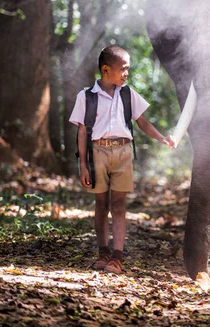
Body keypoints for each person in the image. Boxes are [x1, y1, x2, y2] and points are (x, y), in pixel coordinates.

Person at [70, 45, 176, 274]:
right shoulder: (86, 96)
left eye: (128, 69)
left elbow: (142, 122)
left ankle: (117, 256)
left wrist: (161, 138)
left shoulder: (128, 94)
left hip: (123, 152)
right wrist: (83, 165)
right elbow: (81, 131)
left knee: (118, 205)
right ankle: (103, 250)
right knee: (101, 205)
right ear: (106, 69)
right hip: (97, 153)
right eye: (123, 69)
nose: (127, 73)